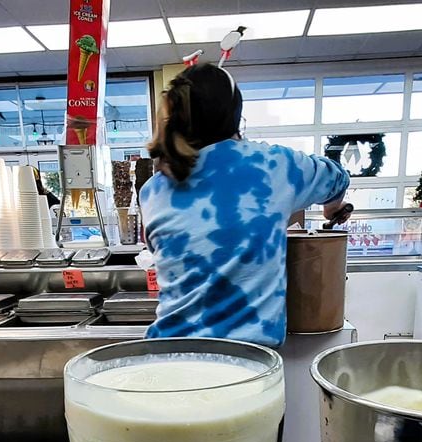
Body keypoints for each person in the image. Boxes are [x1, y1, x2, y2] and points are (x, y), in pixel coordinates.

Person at [139, 63, 351, 347]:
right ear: (236, 115)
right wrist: (332, 206)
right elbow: (337, 177)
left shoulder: (153, 190)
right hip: (246, 364)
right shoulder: (272, 166)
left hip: (168, 354)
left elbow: (163, 250)